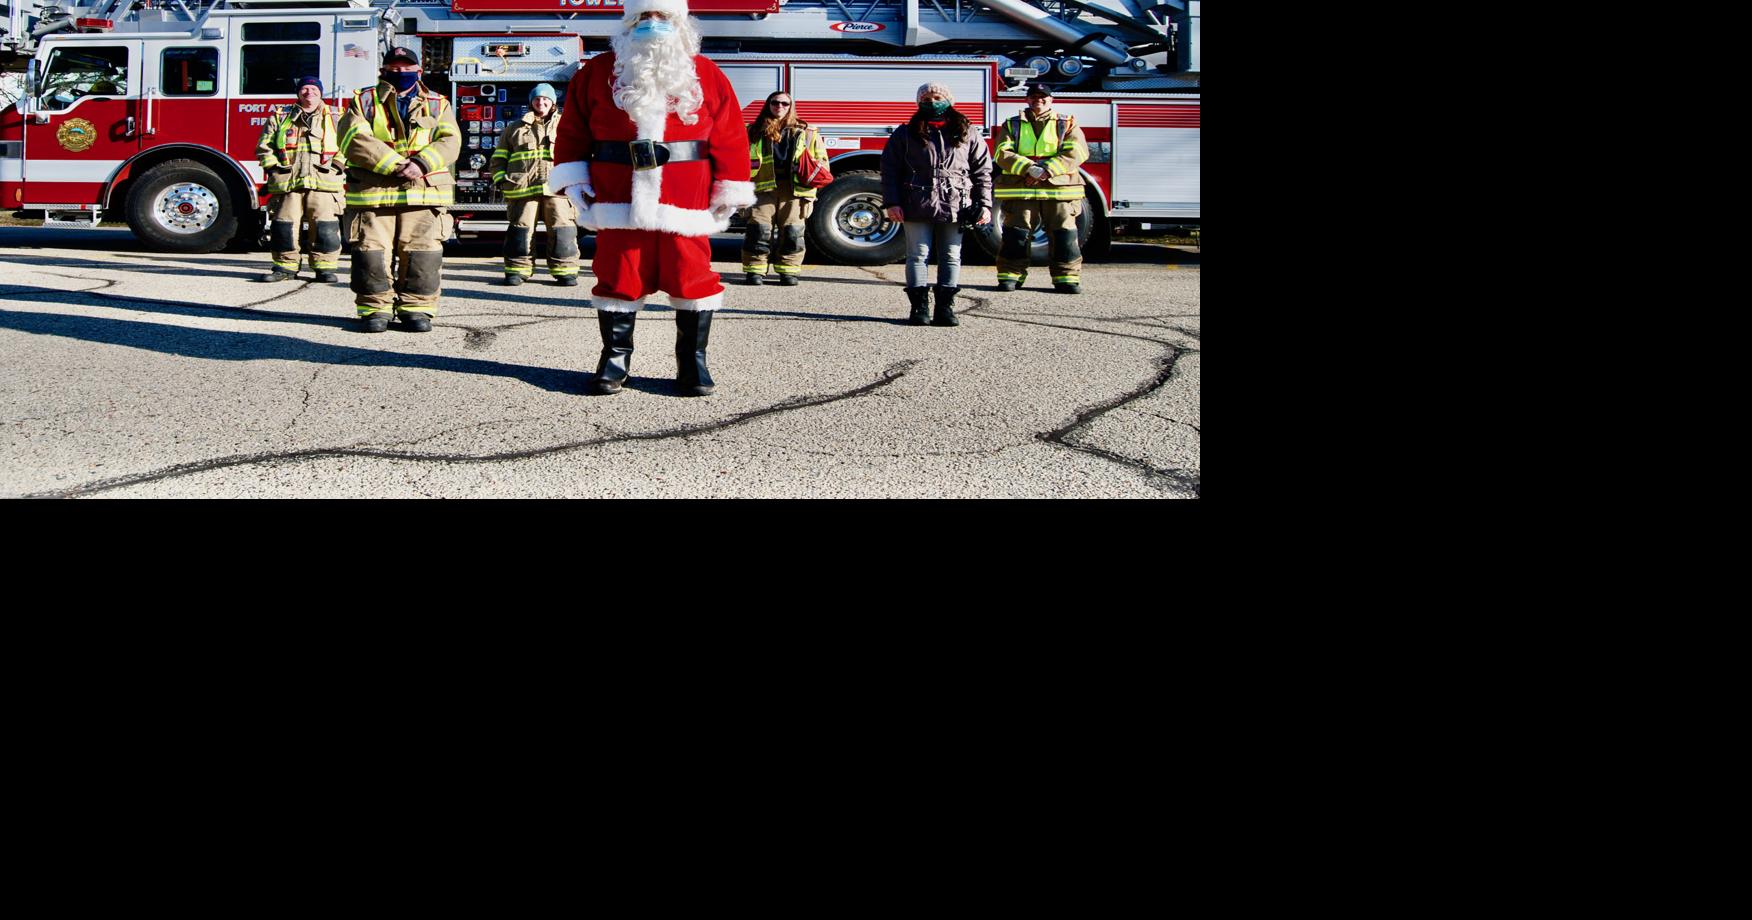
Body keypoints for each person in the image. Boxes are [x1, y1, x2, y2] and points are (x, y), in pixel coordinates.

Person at [546, 0, 754, 396]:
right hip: (617, 196)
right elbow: (573, 129)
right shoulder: (598, 71)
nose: (653, 25)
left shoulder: (707, 73)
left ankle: (692, 363)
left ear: (681, 24)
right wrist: (573, 178)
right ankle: (615, 360)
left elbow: (729, 135)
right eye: (644, 17)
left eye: (662, 17)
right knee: (618, 276)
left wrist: (730, 187)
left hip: (686, 199)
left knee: (692, 277)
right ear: (628, 25)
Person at [336, 47, 462, 333]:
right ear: (383, 70)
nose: (401, 73)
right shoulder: (363, 101)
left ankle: (416, 309)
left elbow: (451, 141)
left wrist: (420, 163)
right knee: (371, 252)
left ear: (419, 71)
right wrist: (394, 165)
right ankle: (374, 309)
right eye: (394, 67)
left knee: (422, 253)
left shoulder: (438, 103)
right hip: (373, 192)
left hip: (422, 190)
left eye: (407, 68)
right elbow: (352, 138)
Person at [879, 81, 992, 326]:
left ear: (950, 100)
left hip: (956, 203)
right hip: (916, 203)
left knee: (951, 254)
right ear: (919, 102)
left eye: (937, 97)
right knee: (918, 254)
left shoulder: (968, 132)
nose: (932, 102)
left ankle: (945, 308)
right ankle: (919, 308)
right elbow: (889, 171)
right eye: (926, 98)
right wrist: (892, 203)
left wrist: (984, 204)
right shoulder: (905, 133)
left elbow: (982, 171)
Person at [991, 83, 1089, 294]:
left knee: (1064, 235)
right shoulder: (1012, 124)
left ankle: (1066, 278)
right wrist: (1029, 169)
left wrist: (1045, 171)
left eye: (1043, 96)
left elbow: (1077, 151)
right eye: (1034, 96)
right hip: (1022, 191)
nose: (1039, 100)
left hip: (1059, 191)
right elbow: (1001, 152)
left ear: (1051, 100)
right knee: (1015, 234)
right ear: (1027, 99)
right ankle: (1010, 276)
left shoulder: (1067, 123)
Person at [255, 75, 345, 283]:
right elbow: (264, 146)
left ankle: (324, 268)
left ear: (321, 93)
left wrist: (338, 166)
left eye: (314, 90)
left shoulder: (335, 115)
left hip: (324, 183)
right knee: (284, 227)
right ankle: (284, 268)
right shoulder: (280, 116)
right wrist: (272, 168)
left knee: (325, 228)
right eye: (304, 89)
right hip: (288, 182)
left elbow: (350, 143)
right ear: (298, 92)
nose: (309, 93)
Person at [492, 83, 579, 286]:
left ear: (553, 103)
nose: (541, 102)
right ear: (531, 102)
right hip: (522, 190)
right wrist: (501, 180)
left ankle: (565, 271)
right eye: (537, 99)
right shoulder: (514, 128)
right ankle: (517, 271)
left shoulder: (568, 125)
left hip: (558, 190)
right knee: (520, 232)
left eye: (546, 99)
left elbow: (580, 154)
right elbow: (498, 159)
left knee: (562, 231)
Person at [740, 91, 828, 286]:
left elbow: (823, 163)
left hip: (794, 191)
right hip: (762, 188)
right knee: (758, 231)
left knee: (792, 232)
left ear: (791, 107)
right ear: (768, 105)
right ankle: (755, 271)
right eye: (774, 102)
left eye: (784, 103)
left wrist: (806, 170)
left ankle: (788, 272)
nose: (779, 106)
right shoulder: (753, 131)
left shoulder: (808, 133)